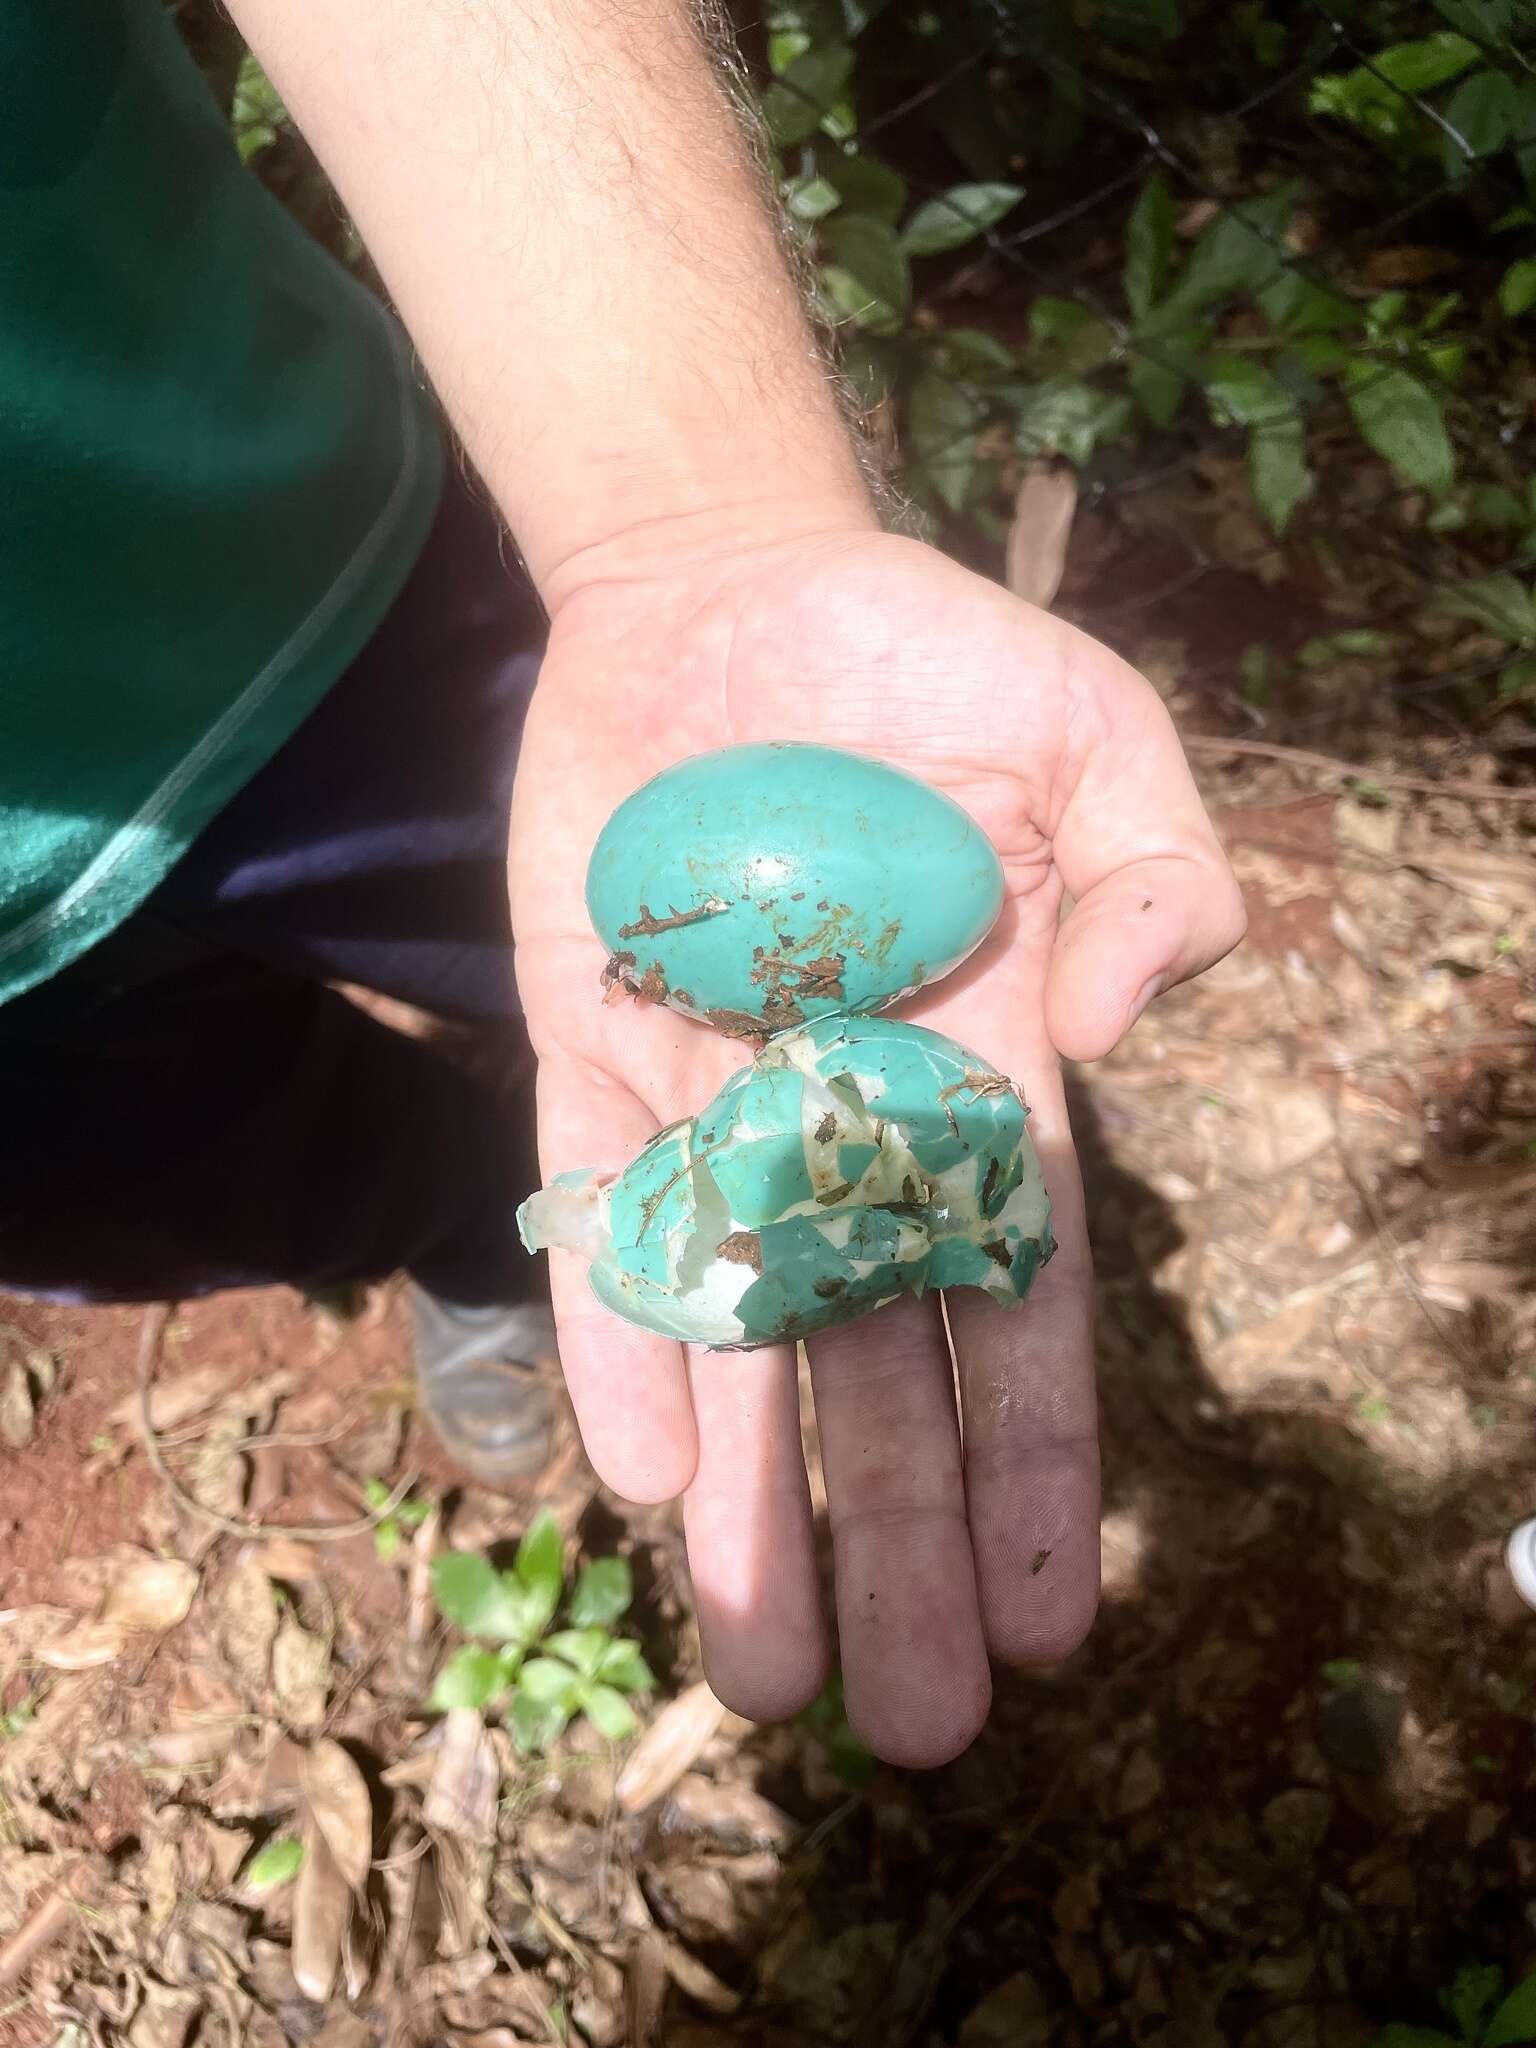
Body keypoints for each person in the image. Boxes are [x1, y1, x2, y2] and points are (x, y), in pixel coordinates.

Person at [0, 0, 1245, 1768]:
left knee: (552, 951)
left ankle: (492, 1218)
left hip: (291, 597)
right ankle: (450, 1230)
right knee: (197, 1180)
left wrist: (695, 515)